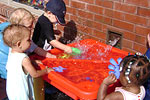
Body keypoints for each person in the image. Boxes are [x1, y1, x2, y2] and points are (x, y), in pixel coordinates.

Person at [0, 8, 56, 79]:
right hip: (10, 77)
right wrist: (46, 70)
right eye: (29, 27)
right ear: (18, 28)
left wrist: (51, 56)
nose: (31, 29)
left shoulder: (18, 41)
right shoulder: (14, 44)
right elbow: (33, 73)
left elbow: (36, 49)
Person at [3, 24, 54, 100]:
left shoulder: (12, 54)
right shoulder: (24, 59)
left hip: (12, 91)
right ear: (19, 44)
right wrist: (46, 71)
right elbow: (35, 74)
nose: (30, 42)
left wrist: (32, 62)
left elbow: (19, 65)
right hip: (22, 94)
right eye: (28, 40)